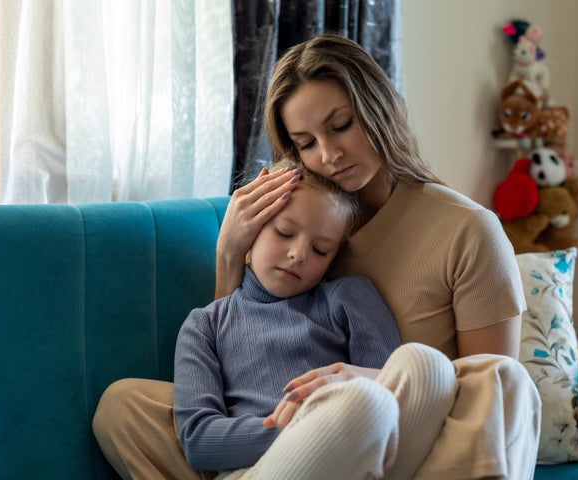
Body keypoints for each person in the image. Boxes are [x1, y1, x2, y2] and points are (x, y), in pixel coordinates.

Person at [93, 32, 541, 480]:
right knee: (126, 404)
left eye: (341, 125)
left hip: (408, 441)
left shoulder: (469, 230)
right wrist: (232, 254)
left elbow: (489, 400)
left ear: (377, 109)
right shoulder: (299, 230)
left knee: (487, 378)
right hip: (296, 440)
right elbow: (237, 348)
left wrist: (365, 382)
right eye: (305, 143)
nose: (328, 156)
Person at [174, 161, 404, 475]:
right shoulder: (204, 325)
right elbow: (198, 440)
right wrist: (305, 435)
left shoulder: (348, 296)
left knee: (429, 366)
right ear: (249, 230)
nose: (298, 254)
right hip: (261, 469)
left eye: (321, 250)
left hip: (355, 457)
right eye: (284, 232)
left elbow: (395, 389)